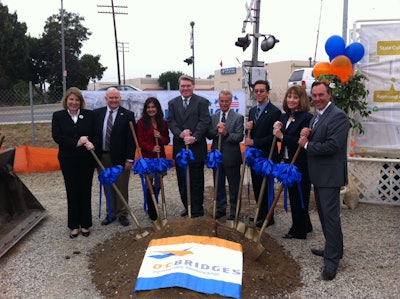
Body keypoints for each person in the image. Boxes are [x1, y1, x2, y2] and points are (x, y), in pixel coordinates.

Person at [298, 81, 350, 281]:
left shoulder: (338, 116)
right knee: (325, 216)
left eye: (321, 95)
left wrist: (307, 145)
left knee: (330, 218)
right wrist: (307, 132)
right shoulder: (318, 116)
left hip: (329, 176)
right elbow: (318, 134)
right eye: (314, 96)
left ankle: (331, 262)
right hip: (319, 175)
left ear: (329, 95)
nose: (317, 99)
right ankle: (336, 248)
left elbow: (333, 146)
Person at [52, 87, 101, 238]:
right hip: (68, 159)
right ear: (66, 101)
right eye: (71, 99)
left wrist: (93, 143)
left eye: (77, 100)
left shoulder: (89, 115)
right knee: (72, 190)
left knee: (85, 190)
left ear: (81, 102)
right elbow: (57, 137)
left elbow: (97, 135)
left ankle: (85, 224)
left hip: (86, 160)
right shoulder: (58, 116)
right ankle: (74, 225)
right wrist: (77, 142)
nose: (74, 102)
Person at [167, 75, 211, 218]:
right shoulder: (173, 103)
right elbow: (171, 121)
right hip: (180, 148)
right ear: (179, 87)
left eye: (188, 86)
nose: (185, 88)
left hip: (196, 148)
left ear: (193, 86)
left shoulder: (202, 102)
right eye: (183, 86)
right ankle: (187, 205)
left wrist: (195, 137)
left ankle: (197, 209)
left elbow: (204, 121)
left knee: (196, 180)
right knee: (182, 180)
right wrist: (180, 134)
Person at [273, 85, 313, 239]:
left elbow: (300, 142)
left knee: (299, 196)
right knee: (294, 195)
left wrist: (282, 136)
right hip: (288, 161)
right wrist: (277, 129)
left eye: (295, 97)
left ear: (301, 99)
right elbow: (280, 137)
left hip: (301, 164)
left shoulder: (307, 118)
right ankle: (306, 225)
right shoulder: (285, 117)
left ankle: (298, 230)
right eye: (289, 96)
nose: (291, 100)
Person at [93, 87, 136, 226]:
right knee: (107, 186)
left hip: (121, 158)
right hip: (102, 157)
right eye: (111, 97)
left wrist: (130, 159)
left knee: (121, 186)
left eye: (116, 97)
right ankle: (110, 213)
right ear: (106, 99)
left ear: (120, 98)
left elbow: (132, 139)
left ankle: (122, 213)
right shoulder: (97, 114)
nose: (114, 100)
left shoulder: (128, 115)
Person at [244, 80, 281, 228]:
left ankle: (268, 216)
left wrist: (254, 142)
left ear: (267, 92)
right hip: (255, 157)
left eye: (261, 91)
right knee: (257, 186)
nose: (258, 93)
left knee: (267, 187)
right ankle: (260, 211)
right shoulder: (253, 111)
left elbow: (273, 137)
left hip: (267, 156)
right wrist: (247, 129)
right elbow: (249, 135)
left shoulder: (274, 111)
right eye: (256, 91)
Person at [207, 89, 244, 220]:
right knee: (218, 185)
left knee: (234, 186)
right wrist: (216, 130)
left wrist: (226, 134)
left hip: (231, 158)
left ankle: (234, 211)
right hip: (217, 158)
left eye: (226, 101)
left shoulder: (238, 117)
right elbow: (209, 134)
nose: (223, 103)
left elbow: (239, 136)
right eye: (221, 101)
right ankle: (220, 208)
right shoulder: (214, 117)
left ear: (231, 102)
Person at [137, 97, 170, 220]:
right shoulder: (141, 123)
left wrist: (160, 137)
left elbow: (167, 140)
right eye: (148, 107)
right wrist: (151, 148)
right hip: (148, 159)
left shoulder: (163, 123)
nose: (151, 109)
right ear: (146, 109)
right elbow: (140, 141)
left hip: (160, 158)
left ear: (157, 108)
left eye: (153, 107)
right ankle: (152, 210)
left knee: (159, 183)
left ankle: (154, 202)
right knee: (149, 183)